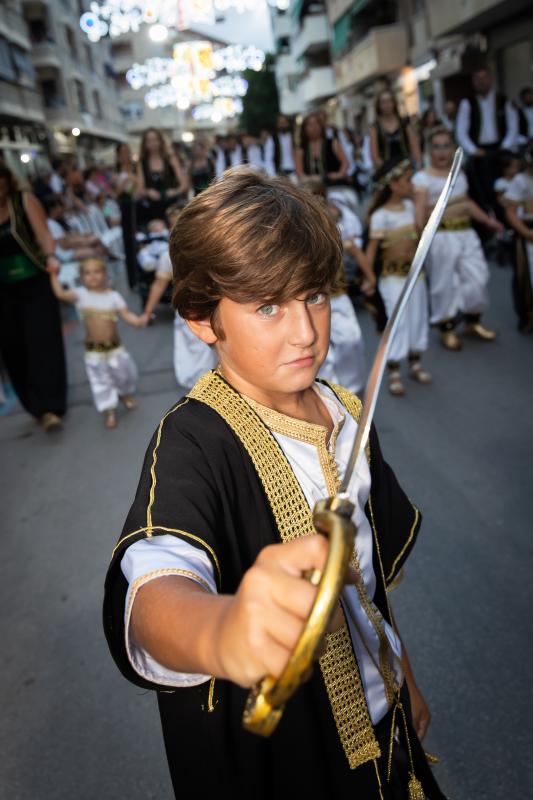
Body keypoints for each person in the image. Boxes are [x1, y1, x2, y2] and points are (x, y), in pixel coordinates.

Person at [103, 167, 446, 800]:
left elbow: (366, 597)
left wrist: (403, 680)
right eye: (267, 305)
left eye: (315, 294)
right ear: (203, 320)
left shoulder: (345, 412)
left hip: (386, 726)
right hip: (284, 762)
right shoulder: (192, 443)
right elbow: (155, 589)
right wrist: (221, 630)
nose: (306, 331)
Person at [412, 127, 501, 350]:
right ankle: (447, 327)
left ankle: (472, 321)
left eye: (446, 146)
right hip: (441, 237)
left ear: (453, 149)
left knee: (478, 276)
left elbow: (468, 203)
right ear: (429, 150)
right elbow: (420, 213)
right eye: (436, 146)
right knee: (444, 284)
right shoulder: (422, 178)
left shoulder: (458, 174)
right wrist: (419, 242)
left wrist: (489, 221)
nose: (442, 151)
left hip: (466, 234)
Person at [0, 165, 66, 431]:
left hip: (35, 282)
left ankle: (50, 406)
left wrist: (51, 257)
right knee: (13, 347)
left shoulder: (23, 201)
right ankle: (32, 403)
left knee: (42, 344)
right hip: (3, 291)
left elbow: (45, 238)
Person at [50, 259, 143, 428]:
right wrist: (53, 275)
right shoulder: (80, 295)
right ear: (81, 277)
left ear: (105, 274)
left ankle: (124, 393)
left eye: (96, 272)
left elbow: (126, 314)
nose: (92, 276)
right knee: (101, 382)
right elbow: (60, 294)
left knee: (124, 375)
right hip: (94, 351)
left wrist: (138, 321)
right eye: (87, 273)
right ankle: (109, 410)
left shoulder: (113, 296)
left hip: (115, 348)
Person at [366, 159, 431, 396]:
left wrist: (419, 200)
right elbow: (371, 251)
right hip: (391, 279)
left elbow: (423, 230)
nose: (411, 184)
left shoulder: (412, 207)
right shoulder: (380, 216)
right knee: (397, 323)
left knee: (417, 318)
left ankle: (415, 363)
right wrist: (368, 277)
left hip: (415, 276)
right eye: (407, 180)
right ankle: (393, 371)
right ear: (393, 184)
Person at [139, 206, 217, 387]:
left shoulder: (214, 248)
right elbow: (159, 284)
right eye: (174, 226)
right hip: (189, 315)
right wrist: (147, 312)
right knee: (196, 363)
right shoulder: (169, 256)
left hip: (216, 310)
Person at [456, 67, 518, 222]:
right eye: (478, 79)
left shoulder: (503, 100)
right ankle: (491, 220)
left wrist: (505, 147)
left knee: (507, 188)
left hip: (501, 150)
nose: (481, 82)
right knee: (484, 190)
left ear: (490, 79)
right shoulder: (467, 103)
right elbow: (461, 131)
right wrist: (473, 150)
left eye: (484, 78)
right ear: (473, 82)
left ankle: (511, 219)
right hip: (480, 152)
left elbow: (513, 126)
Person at [502, 142, 533, 332]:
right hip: (529, 233)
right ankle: (528, 314)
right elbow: (510, 211)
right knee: (527, 276)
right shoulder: (521, 181)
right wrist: (525, 232)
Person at [137, 128, 189, 224]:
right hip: (153, 209)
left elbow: (184, 184)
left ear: (160, 141)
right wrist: (148, 192)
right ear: (145, 144)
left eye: (155, 140)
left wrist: (174, 191)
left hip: (172, 207)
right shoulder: (142, 163)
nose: (153, 143)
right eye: (149, 141)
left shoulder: (170, 159)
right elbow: (140, 190)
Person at [369, 90, 421, 169]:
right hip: (386, 170)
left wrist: (418, 165)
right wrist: (387, 169)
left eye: (389, 101)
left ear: (394, 103)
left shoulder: (405, 123)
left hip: (407, 168)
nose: (387, 105)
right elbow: (374, 155)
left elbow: (415, 147)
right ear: (378, 105)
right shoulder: (375, 127)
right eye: (383, 102)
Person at [295, 112, 349, 185]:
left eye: (316, 124)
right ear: (304, 128)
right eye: (310, 125)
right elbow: (300, 173)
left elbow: (345, 162)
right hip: (310, 188)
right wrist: (310, 179)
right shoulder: (300, 148)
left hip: (334, 185)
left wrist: (338, 175)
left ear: (321, 126)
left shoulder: (333, 143)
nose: (314, 127)